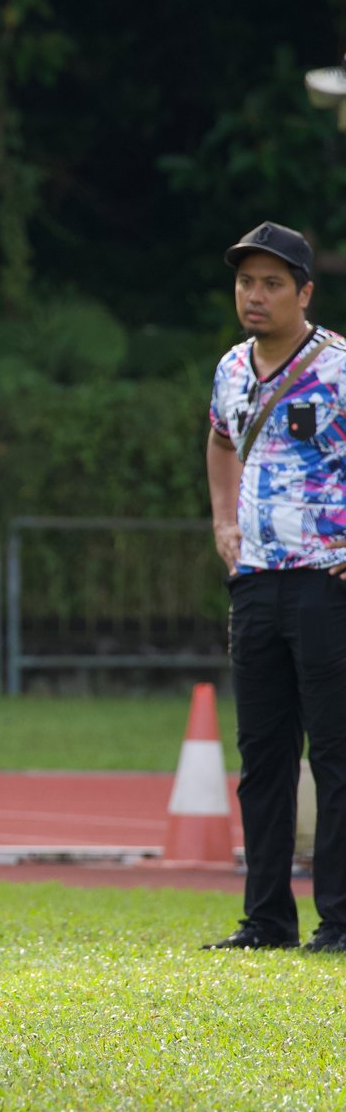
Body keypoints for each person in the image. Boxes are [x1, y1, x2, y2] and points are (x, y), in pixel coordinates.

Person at [204, 221, 346, 953]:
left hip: (327, 581)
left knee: (335, 752)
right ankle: (265, 920)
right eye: (245, 282)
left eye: (271, 284)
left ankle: (342, 921)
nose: (254, 297)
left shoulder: (338, 366)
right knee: (262, 756)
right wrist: (224, 522)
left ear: (304, 292)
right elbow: (222, 438)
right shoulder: (231, 368)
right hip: (256, 582)